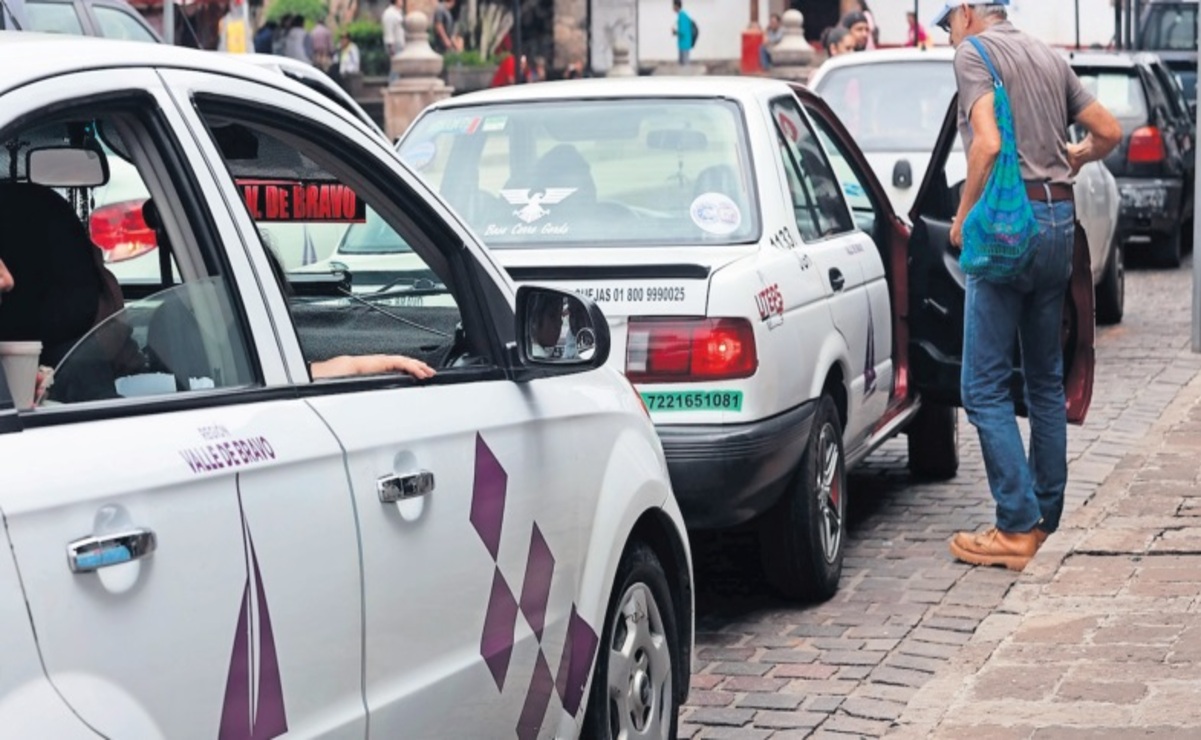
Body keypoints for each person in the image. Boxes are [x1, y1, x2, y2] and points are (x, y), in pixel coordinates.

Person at [934, 1, 1121, 570]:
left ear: (967, 12)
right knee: (1044, 378)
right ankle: (1045, 514)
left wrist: (963, 217)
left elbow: (987, 143)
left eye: (947, 24)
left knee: (983, 386)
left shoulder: (975, 54)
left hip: (1008, 230)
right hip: (1060, 222)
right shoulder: (1046, 53)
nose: (949, 37)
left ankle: (1015, 525)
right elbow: (1108, 131)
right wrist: (1078, 156)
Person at [671, 0, 694, 66]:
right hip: (684, 44)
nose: (672, 8)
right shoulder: (682, 15)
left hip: (684, 44)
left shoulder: (682, 16)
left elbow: (683, 32)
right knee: (683, 66)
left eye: (673, 6)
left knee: (685, 66)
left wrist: (675, 32)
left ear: (676, 6)